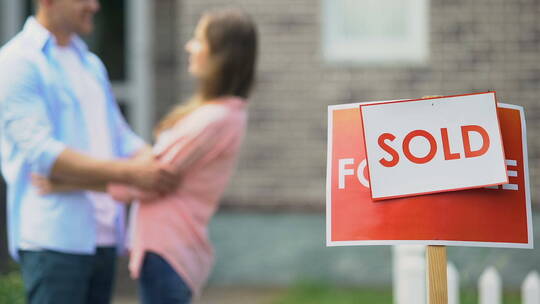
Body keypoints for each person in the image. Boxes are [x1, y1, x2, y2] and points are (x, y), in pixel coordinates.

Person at [34, 8, 259, 304]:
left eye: (199, 40)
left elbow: (151, 179)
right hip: (172, 247)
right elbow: (150, 168)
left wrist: (67, 182)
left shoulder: (214, 119)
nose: (189, 47)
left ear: (221, 55)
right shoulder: (224, 114)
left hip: (168, 249)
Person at [0, 0, 178, 303]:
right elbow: (42, 153)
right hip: (55, 240)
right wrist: (131, 173)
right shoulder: (18, 61)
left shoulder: (90, 63)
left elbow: (119, 136)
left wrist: (162, 159)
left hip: (104, 235)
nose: (94, 6)